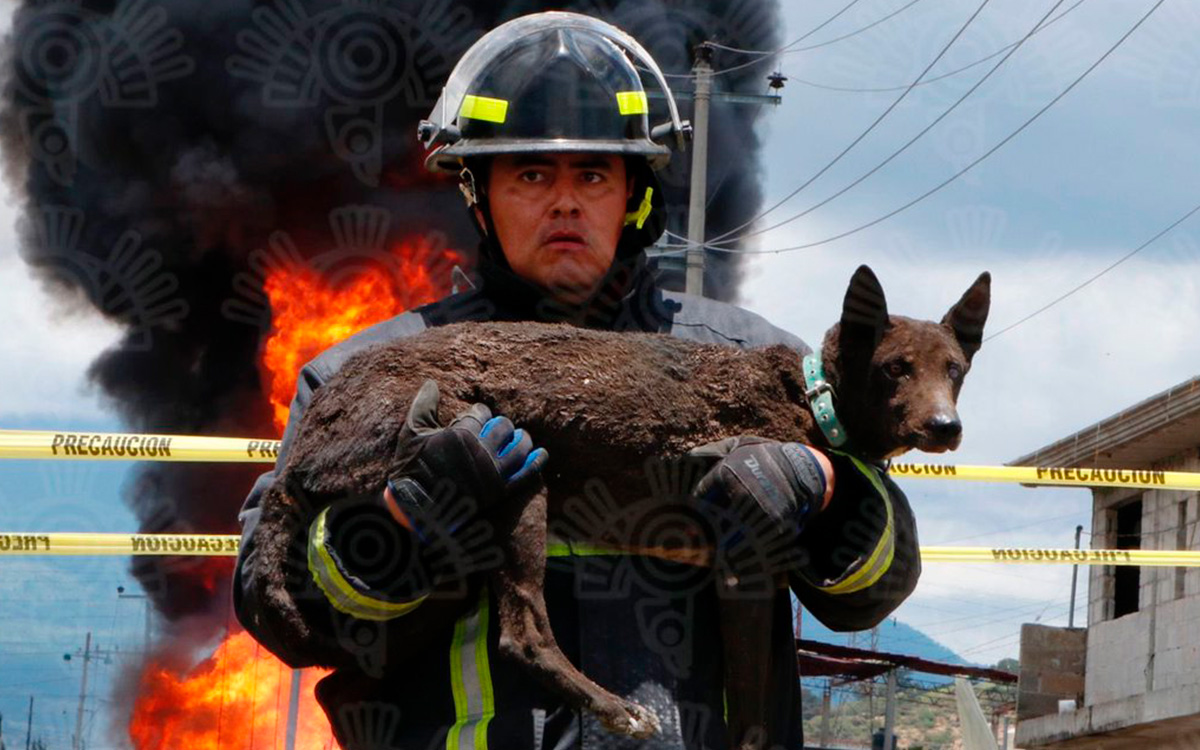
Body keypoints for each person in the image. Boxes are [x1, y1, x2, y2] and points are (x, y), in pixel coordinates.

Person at [234, 12, 919, 750]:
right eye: (531, 174)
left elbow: (874, 590)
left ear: (634, 192)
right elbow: (280, 608)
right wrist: (401, 523)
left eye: (593, 174)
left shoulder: (754, 364)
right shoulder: (377, 376)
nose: (565, 201)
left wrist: (824, 489)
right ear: (476, 192)